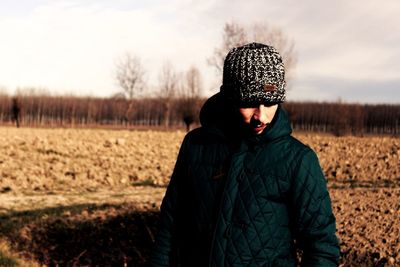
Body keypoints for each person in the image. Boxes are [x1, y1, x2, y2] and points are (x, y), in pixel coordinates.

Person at [150, 43, 340, 266]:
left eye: (270, 102)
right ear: (230, 97)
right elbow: (170, 224)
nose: (262, 116)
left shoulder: (298, 160)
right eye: (249, 103)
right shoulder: (196, 145)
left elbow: (322, 248)